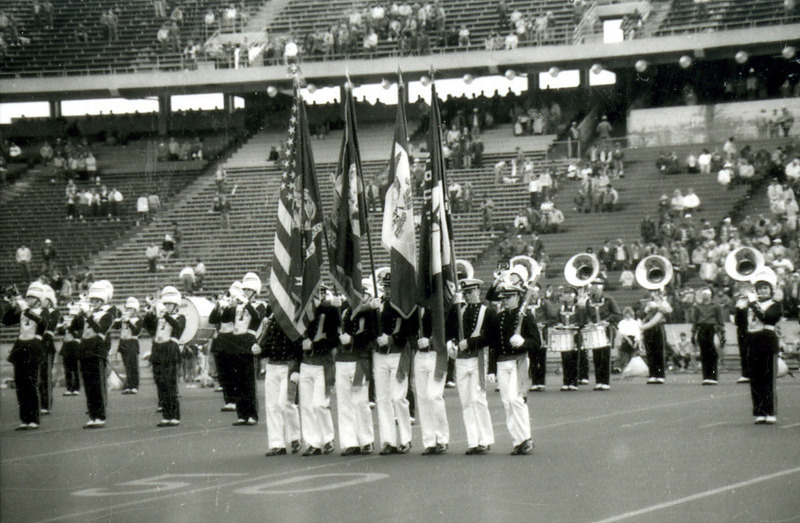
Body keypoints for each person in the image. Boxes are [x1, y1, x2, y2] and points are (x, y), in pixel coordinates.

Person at [486, 282, 539, 455]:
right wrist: (491, 369)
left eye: (508, 297)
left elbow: (536, 342)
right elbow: (493, 346)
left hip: (518, 361)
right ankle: (517, 440)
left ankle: (526, 438)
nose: (505, 301)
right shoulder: (498, 318)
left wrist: (524, 342)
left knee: (517, 400)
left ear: (517, 297)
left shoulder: (526, 316)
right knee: (507, 403)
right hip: (502, 363)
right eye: (503, 298)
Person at [447, 278, 495, 454]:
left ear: (478, 292)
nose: (468, 296)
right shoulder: (460, 310)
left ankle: (485, 439)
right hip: (461, 359)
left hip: (477, 357)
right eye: (465, 293)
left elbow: (489, 337)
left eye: (471, 292)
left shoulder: (488, 312)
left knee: (478, 399)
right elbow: (450, 329)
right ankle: (472, 441)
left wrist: (470, 342)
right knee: (466, 401)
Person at [374, 271, 415, 455]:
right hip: (380, 355)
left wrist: (390, 339)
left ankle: (405, 439)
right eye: (386, 286)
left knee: (398, 397)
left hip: (397, 353)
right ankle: (388, 440)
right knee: (382, 399)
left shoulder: (403, 306)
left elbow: (407, 330)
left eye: (391, 286)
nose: (388, 290)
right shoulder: (377, 305)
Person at [734, 268, 782, 424]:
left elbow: (767, 318)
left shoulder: (775, 305)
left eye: (765, 288)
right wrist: (740, 308)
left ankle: (770, 412)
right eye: (759, 288)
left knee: (768, 378)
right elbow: (740, 323)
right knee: (755, 379)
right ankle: (760, 412)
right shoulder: (751, 306)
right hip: (753, 342)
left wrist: (753, 302)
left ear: (771, 290)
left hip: (767, 341)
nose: (762, 290)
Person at [253, 305, 302, 456]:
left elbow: (299, 345)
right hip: (273, 365)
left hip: (289, 365)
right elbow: (268, 344)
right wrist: (260, 351)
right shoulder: (272, 320)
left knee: (286, 403)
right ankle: (277, 443)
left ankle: (295, 436)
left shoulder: (294, 318)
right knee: (272, 405)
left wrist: (297, 369)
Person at [337, 283, 378, 456]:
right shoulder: (344, 311)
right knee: (344, 404)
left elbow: (370, 334)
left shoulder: (369, 313)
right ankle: (350, 441)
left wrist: (352, 339)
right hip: (342, 360)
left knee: (360, 402)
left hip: (359, 359)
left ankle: (366, 440)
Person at [2, 282, 50, 430]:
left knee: (31, 384)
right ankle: (25, 418)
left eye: (32, 298)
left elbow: (42, 323)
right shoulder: (24, 310)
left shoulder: (43, 311)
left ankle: (33, 418)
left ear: (39, 300)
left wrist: (24, 307)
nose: (29, 300)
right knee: (20, 384)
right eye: (27, 298)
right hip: (21, 346)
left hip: (33, 347)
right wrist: (13, 306)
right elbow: (6, 321)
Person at [299, 288, 340, 455]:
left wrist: (315, 345)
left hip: (323, 363)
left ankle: (328, 438)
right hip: (305, 363)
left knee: (320, 405)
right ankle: (312, 443)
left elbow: (333, 340)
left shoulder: (329, 310)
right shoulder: (300, 312)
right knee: (307, 406)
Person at [144, 286, 186, 427]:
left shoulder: (180, 317)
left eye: (169, 304)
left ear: (175, 305)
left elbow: (178, 327)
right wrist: (151, 312)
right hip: (158, 350)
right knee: (160, 383)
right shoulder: (160, 318)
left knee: (170, 384)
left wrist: (165, 315)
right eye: (165, 303)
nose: (166, 306)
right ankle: (166, 415)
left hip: (170, 350)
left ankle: (174, 415)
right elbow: (148, 327)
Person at [229, 273, 266, 426]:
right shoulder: (238, 306)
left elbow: (257, 318)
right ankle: (241, 414)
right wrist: (231, 305)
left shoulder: (260, 305)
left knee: (248, 380)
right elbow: (226, 318)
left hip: (248, 342)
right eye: (244, 290)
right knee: (237, 381)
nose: (245, 292)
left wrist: (247, 304)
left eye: (249, 290)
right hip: (235, 341)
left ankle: (252, 414)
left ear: (255, 292)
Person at [77, 281, 115, 428]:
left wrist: (88, 313)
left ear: (102, 301)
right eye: (91, 301)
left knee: (97, 384)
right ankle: (92, 415)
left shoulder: (107, 315)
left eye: (96, 301)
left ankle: (100, 416)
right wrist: (78, 312)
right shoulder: (88, 315)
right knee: (88, 385)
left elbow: (100, 330)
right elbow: (74, 327)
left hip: (97, 351)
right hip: (85, 350)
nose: (93, 303)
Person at [415, 305, 449, 456]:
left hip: (435, 353)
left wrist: (430, 340)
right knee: (422, 398)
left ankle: (441, 438)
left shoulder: (436, 304)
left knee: (433, 396)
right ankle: (429, 440)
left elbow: (446, 327)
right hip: (419, 355)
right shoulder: (411, 308)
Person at [582, 279, 620, 390]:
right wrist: (589, 322)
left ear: (601, 288)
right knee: (596, 356)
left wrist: (607, 321)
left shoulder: (609, 300)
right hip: (595, 330)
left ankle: (605, 382)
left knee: (605, 356)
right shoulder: (588, 302)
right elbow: (587, 315)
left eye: (597, 287)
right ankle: (599, 381)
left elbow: (618, 314)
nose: (595, 289)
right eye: (593, 287)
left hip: (606, 329)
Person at [690, 288, 725, 385]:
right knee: (704, 353)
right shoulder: (697, 307)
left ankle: (713, 377)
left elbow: (720, 321)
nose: (704, 296)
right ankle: (706, 377)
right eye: (703, 294)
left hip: (712, 328)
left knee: (713, 354)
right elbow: (695, 321)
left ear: (710, 295)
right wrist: (693, 334)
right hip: (702, 329)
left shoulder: (716, 306)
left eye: (706, 294)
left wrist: (722, 334)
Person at [641, 290, 672, 384]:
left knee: (659, 351)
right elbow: (642, 315)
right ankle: (652, 375)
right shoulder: (647, 303)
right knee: (650, 351)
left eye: (656, 293)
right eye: (652, 293)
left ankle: (660, 375)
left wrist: (658, 306)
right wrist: (647, 309)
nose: (653, 295)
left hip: (658, 327)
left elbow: (669, 311)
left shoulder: (664, 303)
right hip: (648, 327)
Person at [114, 297, 143, 394]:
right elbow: (115, 326)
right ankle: (128, 385)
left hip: (132, 342)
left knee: (133, 365)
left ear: (135, 310)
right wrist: (119, 318)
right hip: (123, 342)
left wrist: (128, 321)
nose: (128, 310)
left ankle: (134, 385)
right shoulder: (124, 318)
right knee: (126, 365)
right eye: (127, 308)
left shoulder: (138, 320)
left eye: (131, 309)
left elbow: (136, 331)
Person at [39, 285, 59, 415]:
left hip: (46, 345)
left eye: (45, 299)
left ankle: (46, 404)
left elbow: (49, 327)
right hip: (35, 346)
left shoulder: (54, 312)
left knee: (45, 375)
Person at [58, 300, 82, 396]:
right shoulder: (66, 318)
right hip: (66, 345)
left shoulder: (80, 319)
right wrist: (63, 327)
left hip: (75, 345)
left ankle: (76, 388)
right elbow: (60, 332)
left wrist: (70, 328)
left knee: (75, 368)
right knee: (67, 368)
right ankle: (69, 388)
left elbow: (79, 333)